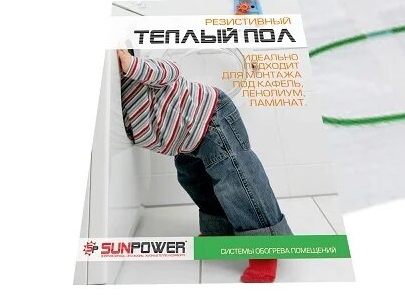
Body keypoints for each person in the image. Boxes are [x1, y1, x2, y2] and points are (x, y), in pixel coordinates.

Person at [116, 48, 290, 283]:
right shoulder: (116, 100)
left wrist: (131, 65)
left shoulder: (141, 70)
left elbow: (171, 70)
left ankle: (265, 246)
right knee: (193, 180)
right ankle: (219, 231)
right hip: (186, 143)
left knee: (236, 178)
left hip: (211, 117)